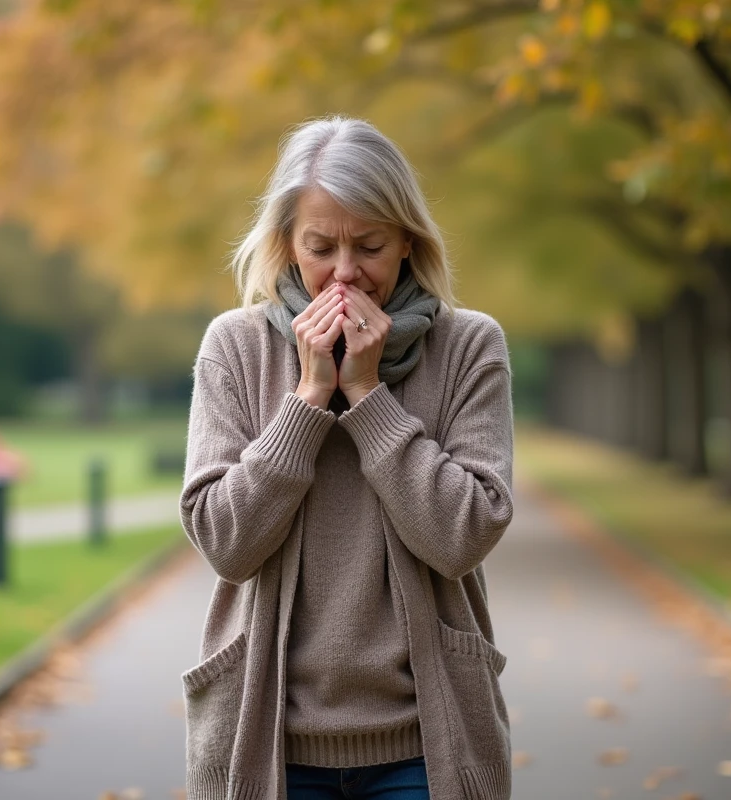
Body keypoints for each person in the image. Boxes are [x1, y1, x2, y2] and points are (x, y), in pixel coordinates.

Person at [179, 116, 515, 800]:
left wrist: (366, 395)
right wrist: (307, 401)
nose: (344, 272)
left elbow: (465, 536)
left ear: (407, 243)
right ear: (285, 246)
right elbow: (225, 543)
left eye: (369, 245)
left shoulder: (469, 346)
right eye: (320, 246)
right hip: (268, 742)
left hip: (427, 746)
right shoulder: (235, 347)